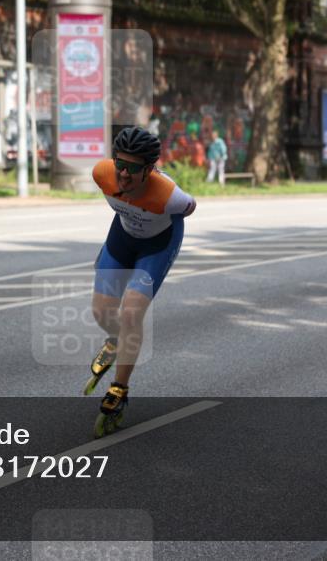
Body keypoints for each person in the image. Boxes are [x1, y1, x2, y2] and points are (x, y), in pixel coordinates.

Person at [87, 126, 197, 437]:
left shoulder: (171, 196)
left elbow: (191, 208)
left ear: (150, 169)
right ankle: (114, 339)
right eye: (119, 164)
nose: (123, 174)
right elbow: (115, 181)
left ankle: (119, 390)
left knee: (132, 312)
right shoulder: (102, 173)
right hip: (122, 237)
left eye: (133, 168)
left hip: (156, 246)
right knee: (101, 312)